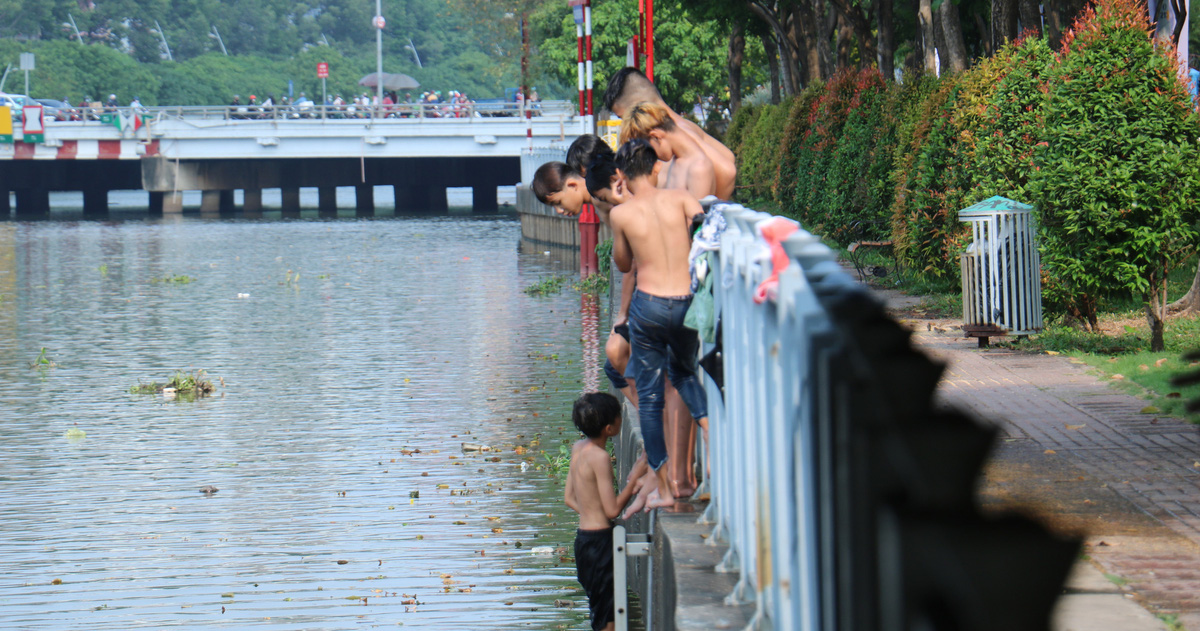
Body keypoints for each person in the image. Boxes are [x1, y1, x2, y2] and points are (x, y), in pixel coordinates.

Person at [609, 139, 709, 509]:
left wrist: (622, 205)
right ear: (655, 168)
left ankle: (665, 490)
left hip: (649, 308)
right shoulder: (682, 197)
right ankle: (710, 432)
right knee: (684, 374)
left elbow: (623, 264)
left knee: (650, 402)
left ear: (620, 175)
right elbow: (703, 239)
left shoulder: (621, 215)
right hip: (686, 303)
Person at [564, 392, 649, 631]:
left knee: (599, 613)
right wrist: (635, 476)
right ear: (610, 428)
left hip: (583, 542)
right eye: (620, 416)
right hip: (601, 544)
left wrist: (591, 512)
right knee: (609, 620)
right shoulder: (600, 457)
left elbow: (568, 498)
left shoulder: (578, 448)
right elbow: (612, 510)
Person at [603, 67, 736, 200]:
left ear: (641, 108)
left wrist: (712, 212)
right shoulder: (682, 127)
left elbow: (727, 171)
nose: (626, 124)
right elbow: (727, 156)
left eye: (624, 117)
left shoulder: (677, 131)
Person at [619, 101, 716, 199]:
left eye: (649, 149)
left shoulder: (699, 167)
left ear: (656, 137)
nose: (652, 155)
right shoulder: (675, 161)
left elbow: (695, 214)